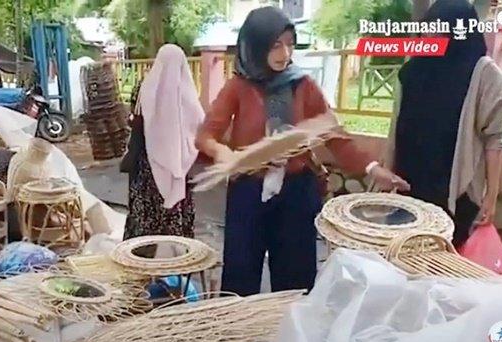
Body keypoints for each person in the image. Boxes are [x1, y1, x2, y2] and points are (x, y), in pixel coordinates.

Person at [195, 7, 408, 295]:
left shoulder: (302, 86)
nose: (285, 53)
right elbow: (206, 137)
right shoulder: (238, 87)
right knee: (240, 275)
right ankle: (240, 335)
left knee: (296, 278)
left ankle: (291, 334)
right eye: (276, 45)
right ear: (255, 45)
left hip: (295, 193)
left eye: (290, 44)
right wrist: (226, 155)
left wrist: (373, 168)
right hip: (249, 191)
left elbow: (334, 135)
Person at [382, 0, 502, 248]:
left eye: (440, 30)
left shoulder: (483, 73)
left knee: (446, 264)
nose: (431, 36)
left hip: (454, 190)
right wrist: (387, 170)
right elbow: (395, 124)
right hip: (408, 184)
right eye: (428, 29)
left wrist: (491, 196)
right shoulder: (413, 68)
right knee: (404, 260)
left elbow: (494, 138)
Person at [122, 44, 203, 240]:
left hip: (146, 165)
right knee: (175, 213)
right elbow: (199, 124)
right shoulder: (187, 93)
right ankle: (177, 261)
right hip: (180, 166)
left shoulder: (144, 88)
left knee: (144, 217)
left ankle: (141, 260)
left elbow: (137, 121)